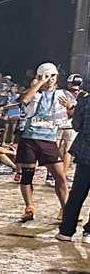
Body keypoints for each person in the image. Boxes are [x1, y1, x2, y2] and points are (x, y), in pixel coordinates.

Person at [15, 64, 72, 223]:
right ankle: (29, 207)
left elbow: (72, 114)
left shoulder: (62, 94)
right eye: (47, 76)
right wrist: (39, 83)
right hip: (29, 138)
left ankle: (66, 209)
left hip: (48, 139)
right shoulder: (35, 92)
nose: (50, 79)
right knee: (27, 175)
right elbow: (25, 100)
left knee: (60, 176)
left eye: (53, 76)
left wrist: (69, 107)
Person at [55, 80, 90, 242]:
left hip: (85, 153)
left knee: (77, 193)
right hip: (85, 153)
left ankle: (67, 231)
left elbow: (76, 126)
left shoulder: (85, 101)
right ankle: (88, 232)